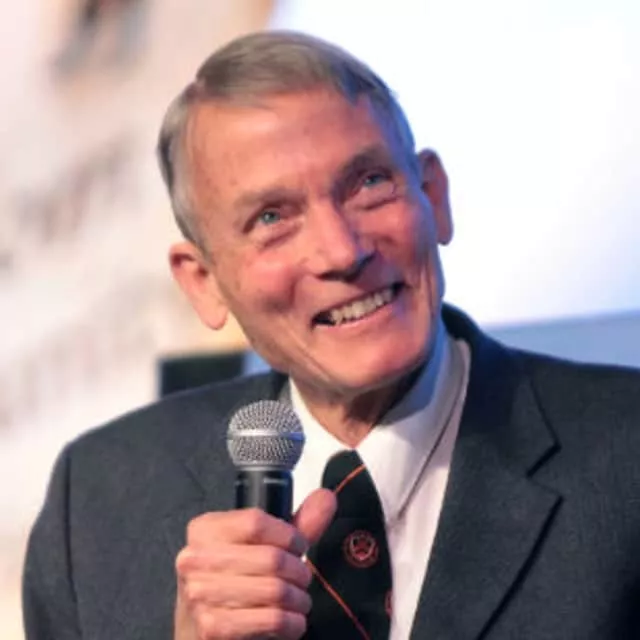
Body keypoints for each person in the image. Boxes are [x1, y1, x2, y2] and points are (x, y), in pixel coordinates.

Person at [23, 30, 640, 640]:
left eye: (369, 184)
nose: (342, 251)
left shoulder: (624, 453)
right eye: (272, 218)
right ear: (204, 282)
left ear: (433, 196)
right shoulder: (98, 501)